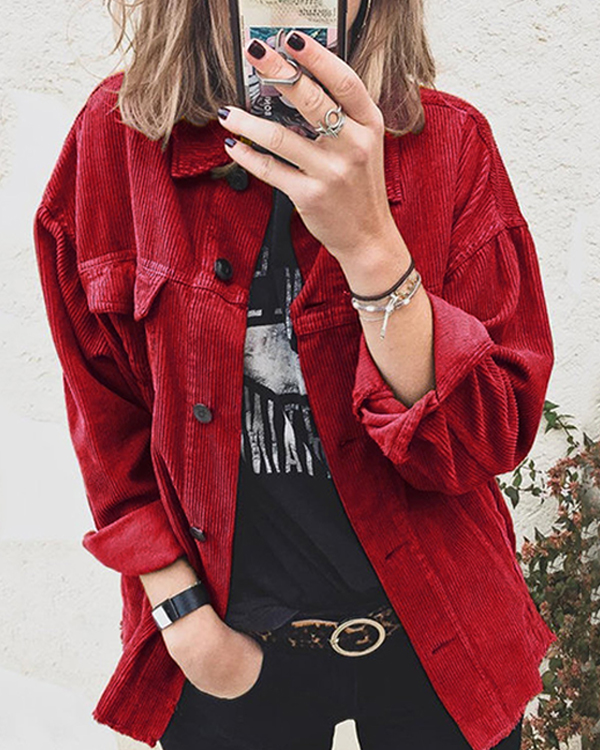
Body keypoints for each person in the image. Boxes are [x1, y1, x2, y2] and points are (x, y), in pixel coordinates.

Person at [32, 0, 558, 748]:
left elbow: (486, 439)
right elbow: (103, 405)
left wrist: (372, 246)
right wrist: (182, 619)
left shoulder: (450, 144)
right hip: (228, 643)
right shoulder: (117, 140)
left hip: (440, 636)